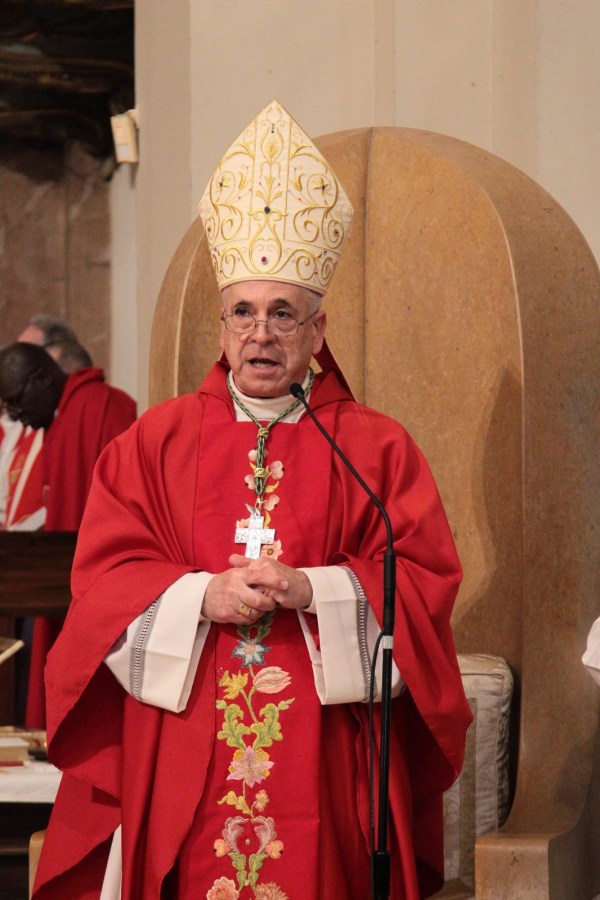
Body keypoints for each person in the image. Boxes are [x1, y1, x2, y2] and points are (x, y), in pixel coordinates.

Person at [33, 100, 471, 899]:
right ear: (222, 324)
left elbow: (424, 580)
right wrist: (203, 594)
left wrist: (318, 589)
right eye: (244, 312)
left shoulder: (374, 447)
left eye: (282, 315)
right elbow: (102, 582)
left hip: (325, 750)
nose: (261, 334)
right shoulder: (152, 444)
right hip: (184, 732)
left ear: (317, 330)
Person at [0, 341, 137, 727]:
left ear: (42, 379)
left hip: (98, 587)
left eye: (15, 400)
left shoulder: (101, 408)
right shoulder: (62, 418)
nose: (14, 414)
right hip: (51, 578)